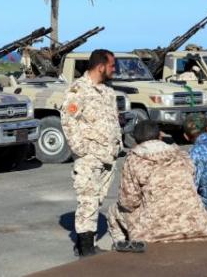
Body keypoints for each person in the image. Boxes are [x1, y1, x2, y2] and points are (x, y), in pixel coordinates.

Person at [107, 120, 207, 248]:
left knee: (113, 211)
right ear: (160, 136)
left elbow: (129, 202)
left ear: (136, 141)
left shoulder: (134, 159)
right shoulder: (181, 154)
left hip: (156, 233)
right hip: (198, 228)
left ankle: (122, 249)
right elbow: (192, 183)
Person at [61, 49, 123, 257]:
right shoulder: (78, 90)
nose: (114, 70)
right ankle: (86, 249)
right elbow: (68, 121)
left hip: (108, 156)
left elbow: (112, 120)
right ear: (101, 67)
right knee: (88, 200)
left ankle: (84, 243)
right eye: (112, 66)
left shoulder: (107, 92)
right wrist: (82, 151)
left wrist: (117, 145)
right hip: (90, 158)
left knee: (96, 200)